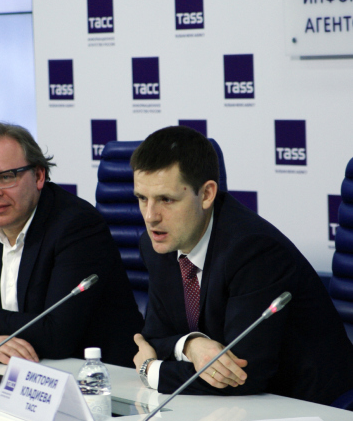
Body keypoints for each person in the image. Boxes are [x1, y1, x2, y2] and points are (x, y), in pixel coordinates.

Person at [131, 125, 353, 405]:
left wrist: (151, 370)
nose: (150, 216)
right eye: (142, 198)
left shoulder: (252, 250)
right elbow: (152, 337)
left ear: (207, 194)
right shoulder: (157, 245)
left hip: (305, 404)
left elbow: (242, 375)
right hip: (227, 407)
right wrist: (191, 345)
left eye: (166, 199)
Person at [0, 122, 143, 367]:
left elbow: (57, 336)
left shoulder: (75, 226)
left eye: (5, 177)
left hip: (100, 380)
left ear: (39, 175)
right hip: (15, 376)